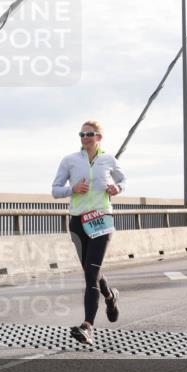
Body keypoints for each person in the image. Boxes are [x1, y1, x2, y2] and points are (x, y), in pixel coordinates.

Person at [51, 120, 126, 346]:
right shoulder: (70, 160)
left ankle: (87, 326)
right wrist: (72, 189)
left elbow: (123, 180)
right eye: (82, 134)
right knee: (90, 269)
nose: (85, 137)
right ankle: (110, 296)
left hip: (102, 219)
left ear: (99, 137)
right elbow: (55, 190)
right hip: (77, 221)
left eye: (90, 134)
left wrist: (117, 188)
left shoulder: (109, 159)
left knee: (91, 274)